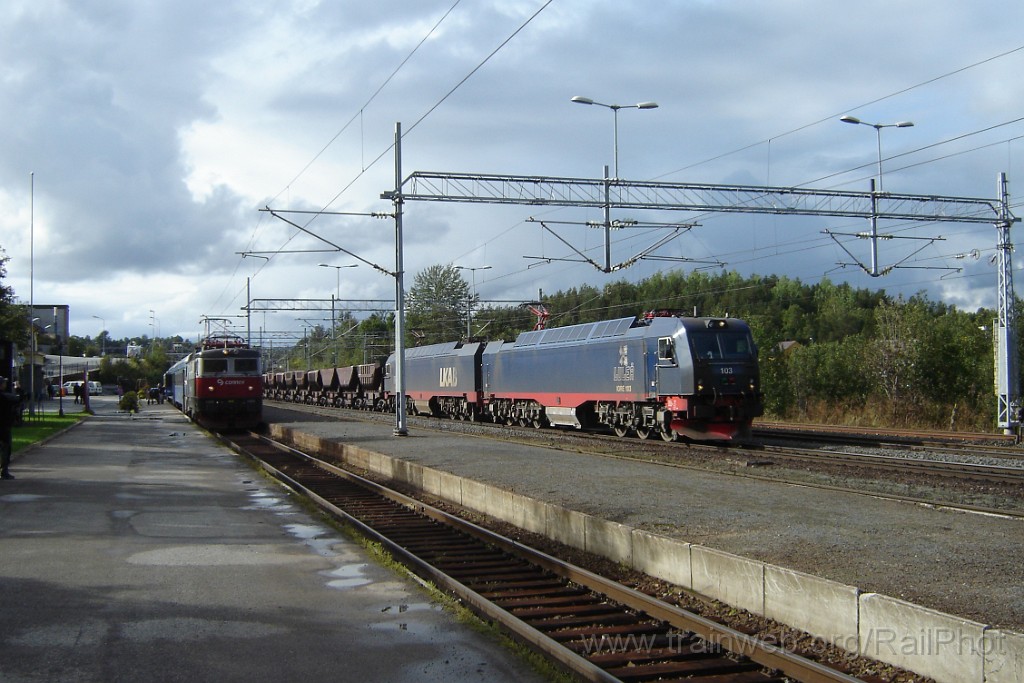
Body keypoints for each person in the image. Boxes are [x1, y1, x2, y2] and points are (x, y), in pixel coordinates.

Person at [0, 376, 20, 480]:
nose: (5, 384)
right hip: (4, 426)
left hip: (4, 425)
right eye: (3, 383)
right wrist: (18, 388)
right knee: (6, 449)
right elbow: (20, 399)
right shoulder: (6, 397)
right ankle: (4, 471)